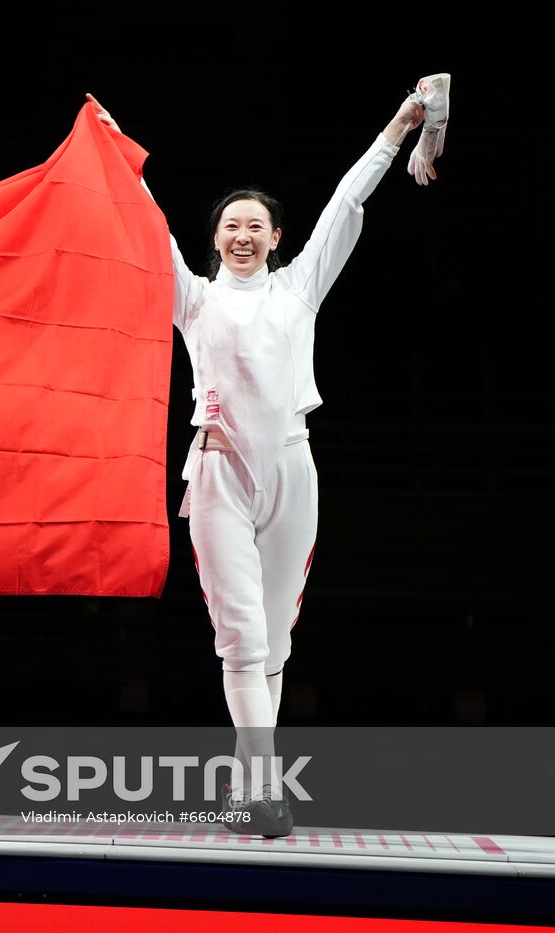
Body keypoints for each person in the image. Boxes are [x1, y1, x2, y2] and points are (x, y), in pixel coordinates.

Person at [90, 78, 445, 836]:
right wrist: (119, 157)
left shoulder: (298, 290)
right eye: (230, 226)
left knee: (276, 641)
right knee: (242, 638)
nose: (242, 234)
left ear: (276, 237)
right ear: (214, 238)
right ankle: (260, 789)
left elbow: (348, 204)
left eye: (255, 225)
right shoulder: (193, 299)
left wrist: (401, 124)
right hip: (219, 478)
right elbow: (147, 228)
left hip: (292, 473)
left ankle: (250, 787)